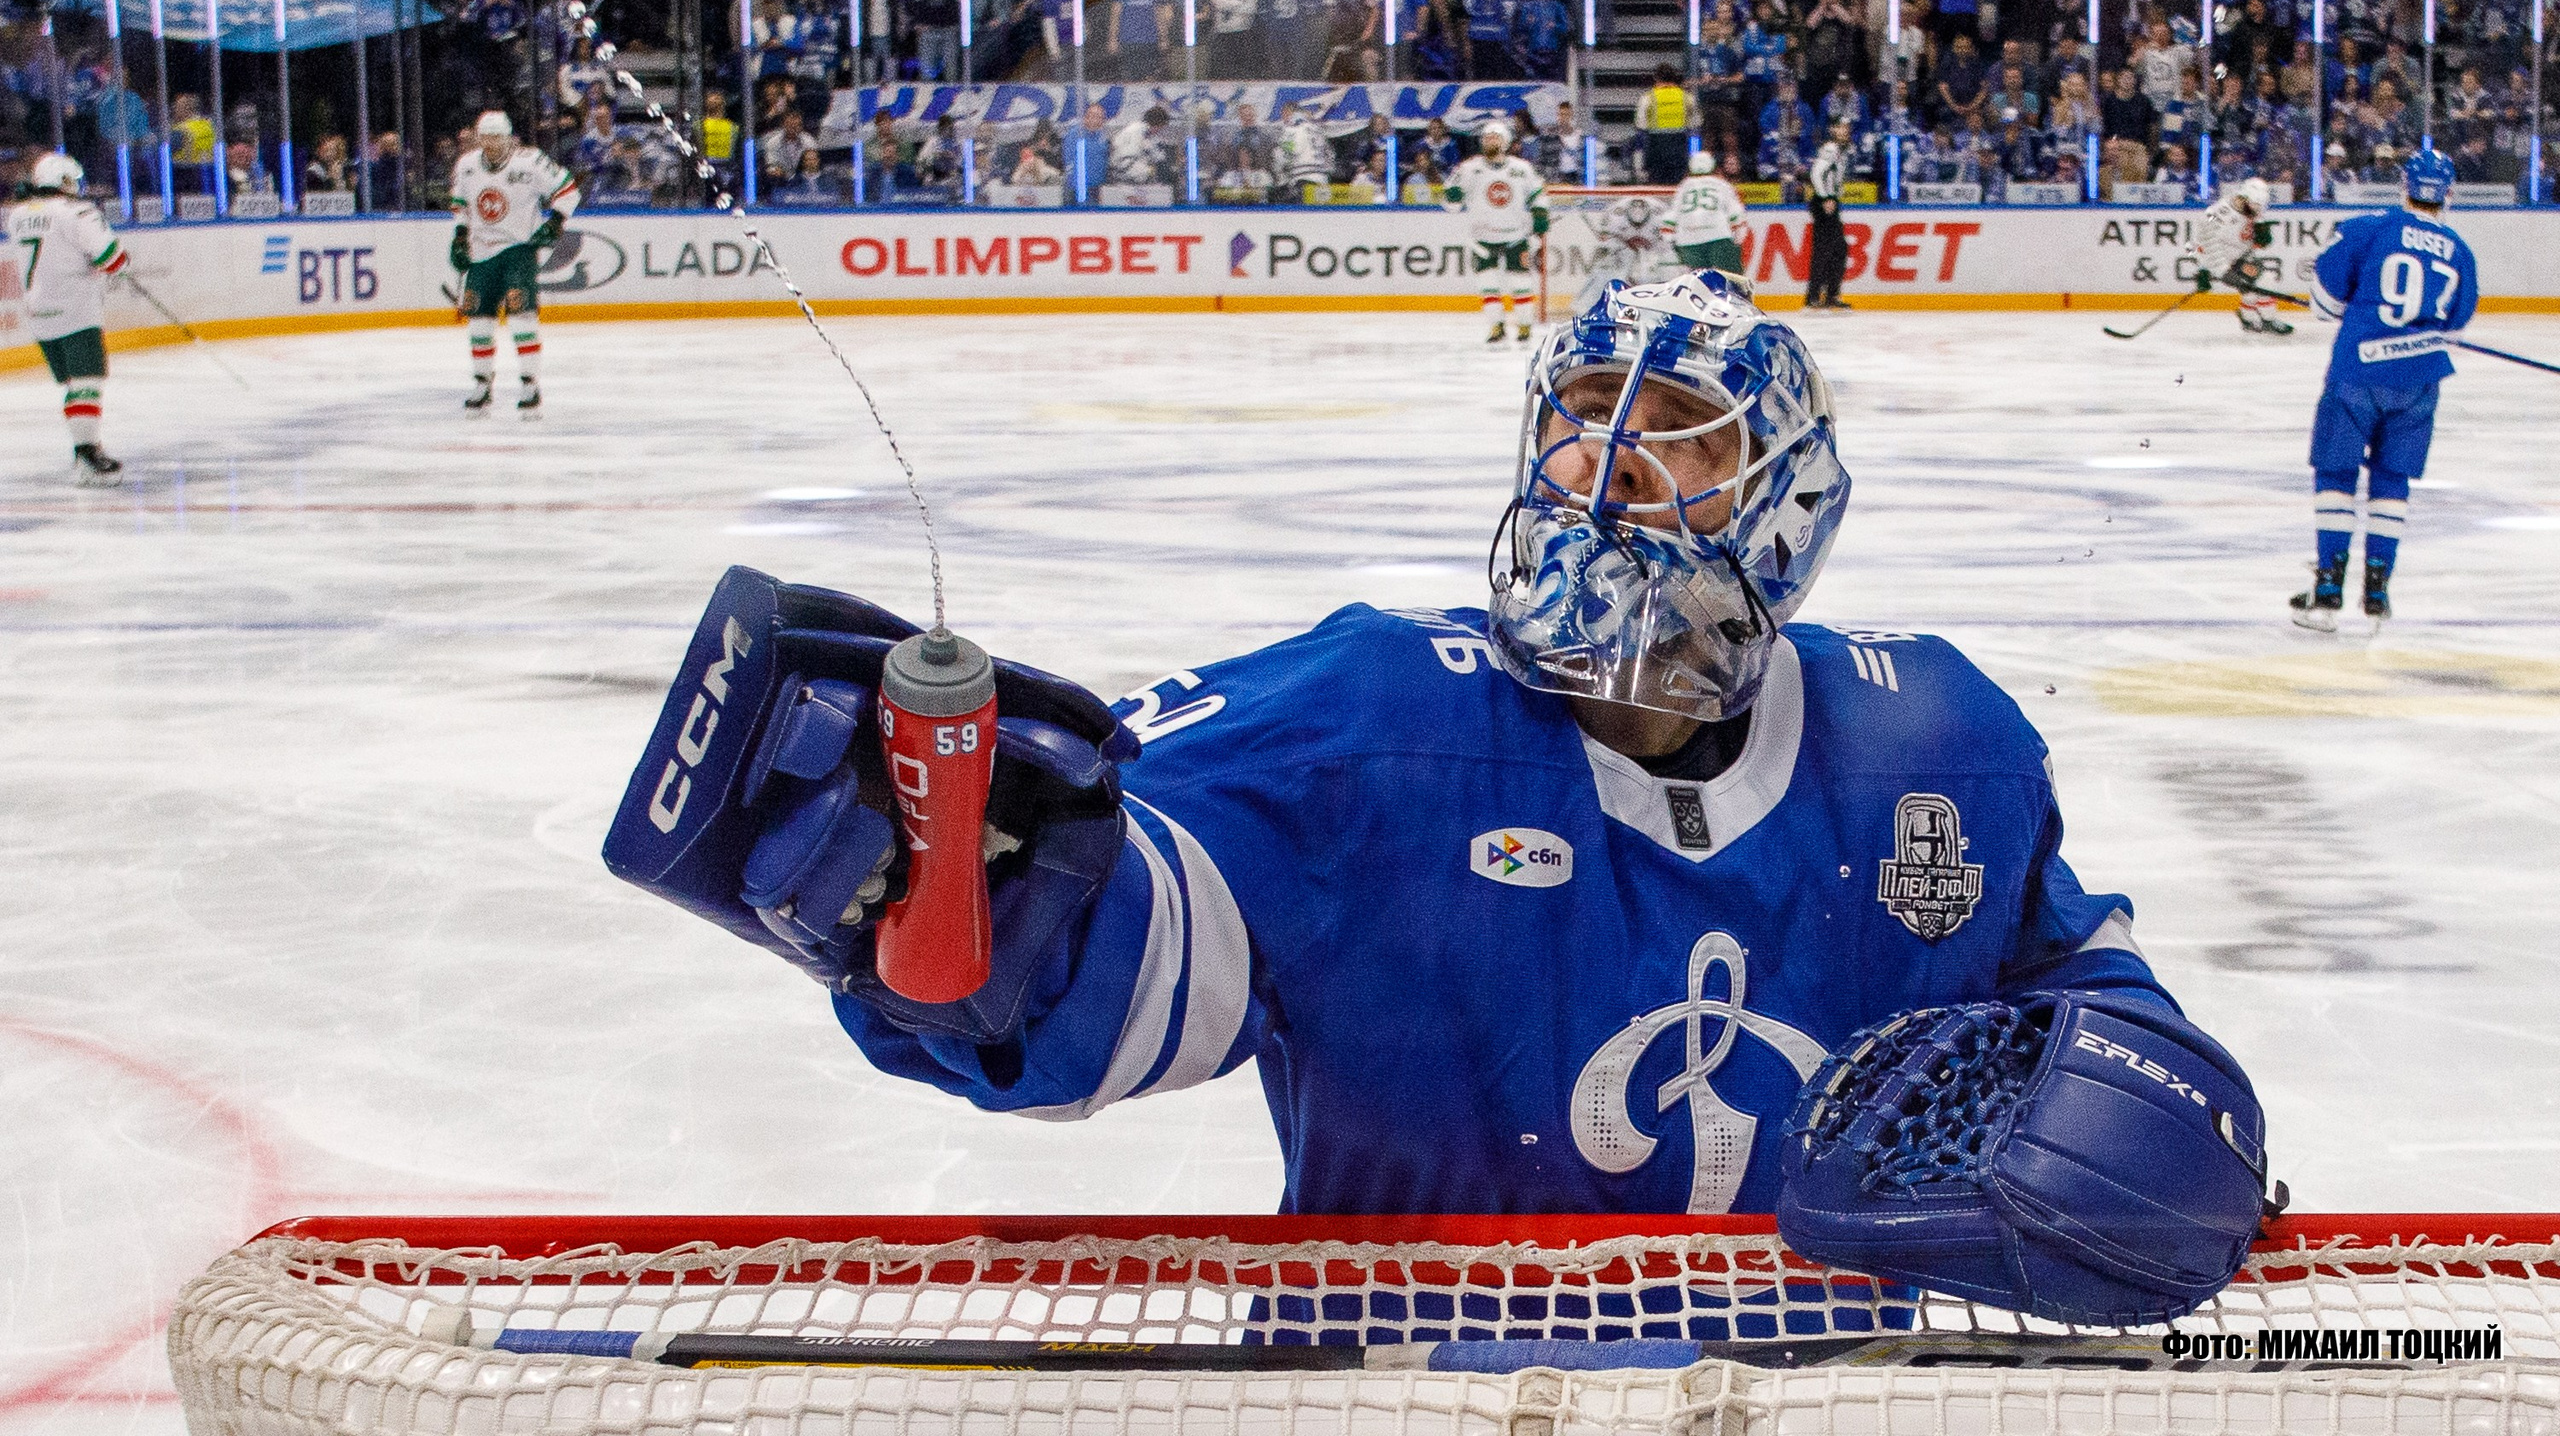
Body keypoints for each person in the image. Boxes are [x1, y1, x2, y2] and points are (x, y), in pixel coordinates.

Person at [609, 271, 2275, 1328]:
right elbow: (1122, 968)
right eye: (1578, 424)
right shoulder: (1368, 716)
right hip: (1401, 1389)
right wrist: (979, 900)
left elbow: (2083, 1008)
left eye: (1677, 436)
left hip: (1811, 1391)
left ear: (1783, 515)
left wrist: (2160, 1124)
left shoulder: (1940, 752)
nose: (1605, 461)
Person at [2292, 151, 2480, 631]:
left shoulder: (2365, 228)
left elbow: (2323, 304)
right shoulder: (2460, 252)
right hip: (2419, 383)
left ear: (2403, 186)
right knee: (2392, 480)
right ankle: (2377, 590)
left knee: (2336, 473)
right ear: (2449, 196)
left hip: (2356, 374)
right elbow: (2452, 329)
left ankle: (2328, 591)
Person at [448, 110, 579, 417]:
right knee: (479, 321)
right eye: (485, 138)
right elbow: (461, 205)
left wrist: (556, 222)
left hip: (518, 250)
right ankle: (482, 383)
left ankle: (530, 384)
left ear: (508, 137)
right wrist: (459, 236)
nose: (490, 144)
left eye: (496, 137)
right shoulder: (467, 165)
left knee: (522, 317)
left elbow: (568, 188)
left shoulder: (530, 161)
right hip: (480, 253)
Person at [7, 152, 129, 483]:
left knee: (74, 385)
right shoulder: (78, 213)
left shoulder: (17, 216)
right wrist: (119, 263)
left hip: (38, 312)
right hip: (75, 310)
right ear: (62, 181)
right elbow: (111, 258)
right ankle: (87, 454)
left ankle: (83, 450)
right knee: (87, 382)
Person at [1445, 121, 1549, 342]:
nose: (1491, 140)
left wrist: (1540, 215)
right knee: (1487, 284)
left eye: (1496, 137)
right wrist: (1452, 195)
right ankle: (1496, 326)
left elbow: (1538, 193)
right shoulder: (1469, 168)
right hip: (1482, 238)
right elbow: (1450, 201)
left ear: (1506, 142)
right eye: (1487, 137)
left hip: (1516, 235)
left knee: (1521, 283)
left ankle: (1524, 326)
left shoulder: (1521, 169)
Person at [2195, 177, 2284, 335]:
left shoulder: (2251, 208)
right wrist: (2207, 270)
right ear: (2244, 198)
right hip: (2222, 261)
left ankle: (2248, 319)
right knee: (2265, 282)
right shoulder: (2217, 214)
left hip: (2241, 257)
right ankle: (2268, 321)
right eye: (2255, 205)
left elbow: (2255, 239)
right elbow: (2204, 244)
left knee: (2252, 289)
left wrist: (2262, 235)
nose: (2258, 209)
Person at [1669, 148, 1745, 275]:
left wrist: (1672, 240)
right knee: (1733, 280)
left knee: (1697, 282)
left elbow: (1670, 218)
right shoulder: (1721, 184)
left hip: (1687, 239)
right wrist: (1738, 238)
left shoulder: (1683, 186)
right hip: (1718, 235)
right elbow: (1736, 213)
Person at [1805, 120, 1853, 312]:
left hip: (1830, 200)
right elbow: (1816, 173)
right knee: (1825, 249)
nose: (1845, 131)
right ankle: (1815, 296)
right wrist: (1826, 197)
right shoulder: (1830, 149)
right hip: (1825, 201)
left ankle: (1830, 294)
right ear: (1832, 129)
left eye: (1847, 128)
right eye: (1841, 127)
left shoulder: (1840, 150)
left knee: (1837, 249)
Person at [1634, 66, 1689, 187]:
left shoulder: (1648, 97)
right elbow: (1696, 122)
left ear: (1656, 78)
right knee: (1677, 183)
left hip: (1656, 144)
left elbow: (1640, 124)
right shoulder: (1686, 96)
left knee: (1656, 182)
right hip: (1678, 144)